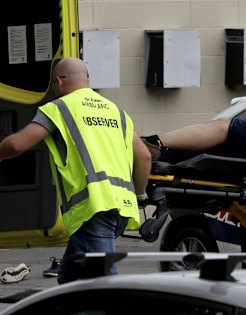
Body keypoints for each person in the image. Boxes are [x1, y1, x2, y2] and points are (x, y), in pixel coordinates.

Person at [0, 57, 152, 284]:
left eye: (52, 84)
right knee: (69, 284)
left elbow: (16, 145)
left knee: (106, 287)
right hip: (121, 209)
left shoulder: (59, 108)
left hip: (92, 210)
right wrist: (139, 195)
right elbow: (144, 156)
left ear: (59, 81)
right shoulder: (116, 111)